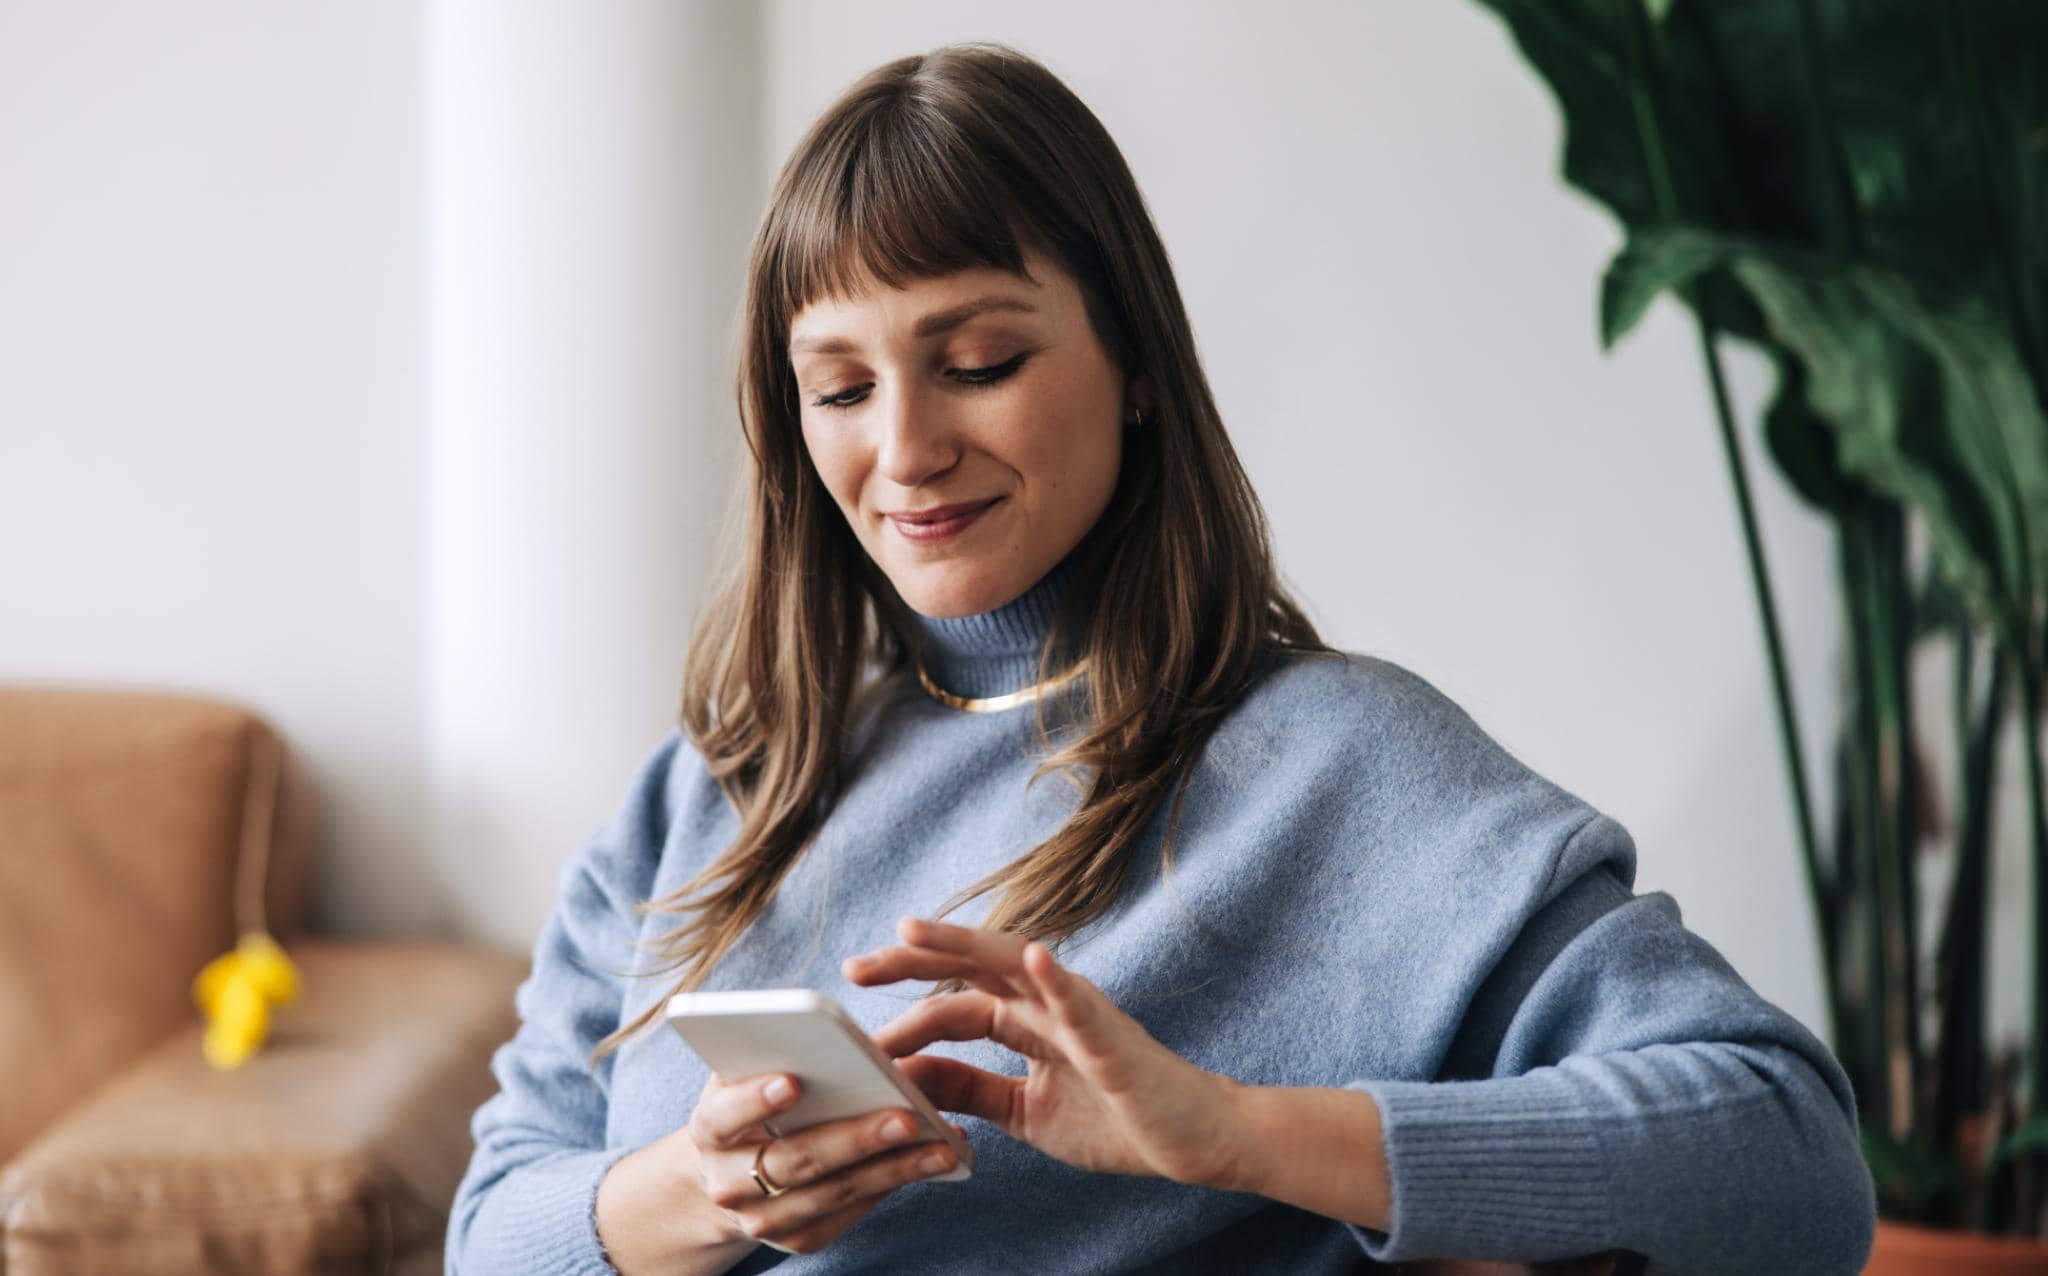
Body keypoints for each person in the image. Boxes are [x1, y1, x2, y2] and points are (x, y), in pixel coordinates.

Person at [445, 41, 1876, 1276]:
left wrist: (1235, 1133)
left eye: (979, 363)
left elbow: (1790, 1155)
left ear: (1134, 366)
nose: (906, 448)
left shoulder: (1337, 767)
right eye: (841, 387)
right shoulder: (713, 792)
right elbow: (489, 1228)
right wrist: (699, 1193)